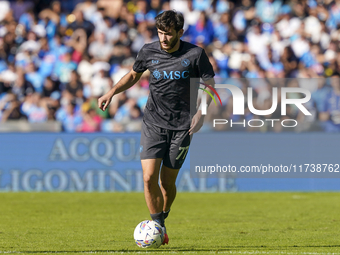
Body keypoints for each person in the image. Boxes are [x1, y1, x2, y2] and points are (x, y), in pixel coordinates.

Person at [98, 10, 215, 245]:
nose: (163, 38)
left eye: (168, 34)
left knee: (166, 182)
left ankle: (162, 220)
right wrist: (112, 91)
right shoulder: (148, 51)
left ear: (180, 33)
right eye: (160, 33)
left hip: (183, 126)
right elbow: (133, 75)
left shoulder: (195, 54)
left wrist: (202, 111)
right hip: (153, 122)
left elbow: (210, 84)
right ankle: (158, 226)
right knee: (148, 176)